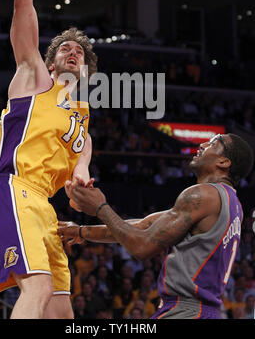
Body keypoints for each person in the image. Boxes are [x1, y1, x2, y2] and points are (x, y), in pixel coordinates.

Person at [0, 0, 97, 319]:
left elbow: (78, 193)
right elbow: (22, 4)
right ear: (48, 60)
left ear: (85, 72)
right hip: (11, 189)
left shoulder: (82, 125)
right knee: (37, 288)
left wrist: (81, 185)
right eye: (64, 47)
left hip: (45, 209)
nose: (72, 50)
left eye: (78, 51)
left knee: (62, 312)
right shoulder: (34, 78)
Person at [59, 133, 254, 319]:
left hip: (185, 311)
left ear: (224, 162)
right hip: (204, 310)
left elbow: (142, 246)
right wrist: (80, 231)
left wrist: (100, 207)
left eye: (212, 143)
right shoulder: (231, 202)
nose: (202, 145)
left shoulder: (203, 195)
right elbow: (142, 226)